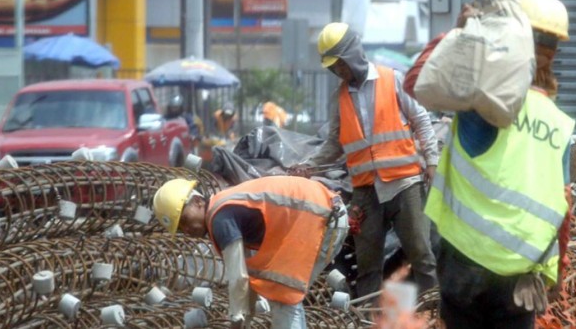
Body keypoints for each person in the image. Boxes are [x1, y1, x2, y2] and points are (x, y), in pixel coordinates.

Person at [404, 0, 574, 328]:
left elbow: (415, 81)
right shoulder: (558, 123)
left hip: (464, 265)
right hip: (521, 271)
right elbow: (563, 206)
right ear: (553, 53)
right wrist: (555, 271)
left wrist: (459, 34)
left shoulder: (485, 102)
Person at [294, 22, 439, 299]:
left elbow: (421, 119)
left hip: (404, 184)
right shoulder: (341, 97)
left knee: (422, 255)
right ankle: (367, 320)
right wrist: (309, 166)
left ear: (352, 54)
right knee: (367, 266)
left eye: (340, 64)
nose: (339, 71)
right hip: (365, 192)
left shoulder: (392, 79)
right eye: (333, 67)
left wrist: (431, 161)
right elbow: (334, 143)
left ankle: (434, 314)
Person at [152, 176, 348, 328]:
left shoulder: (220, 219)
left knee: (283, 295)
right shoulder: (225, 209)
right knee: (283, 296)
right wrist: (245, 318)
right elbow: (250, 276)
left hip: (322, 219)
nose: (187, 230)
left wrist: (236, 320)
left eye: (185, 220)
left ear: (197, 202)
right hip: (323, 216)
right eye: (180, 228)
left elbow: (238, 277)